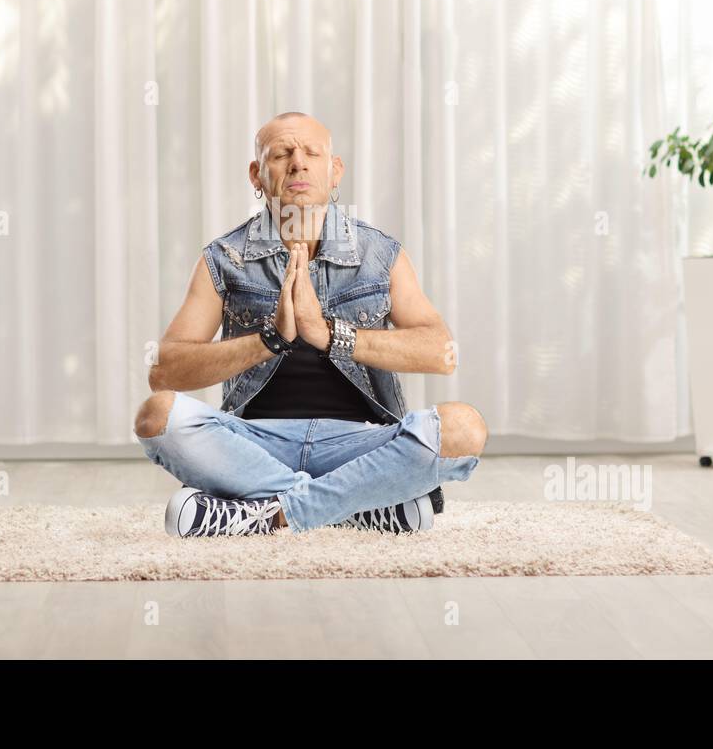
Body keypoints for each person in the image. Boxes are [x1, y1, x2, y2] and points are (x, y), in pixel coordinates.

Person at [136, 112, 488, 536]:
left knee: (464, 428)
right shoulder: (224, 258)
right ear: (257, 175)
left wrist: (328, 334)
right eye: (281, 154)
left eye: (311, 153)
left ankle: (269, 513)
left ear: (334, 170)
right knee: (156, 417)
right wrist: (269, 339)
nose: (298, 163)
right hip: (255, 447)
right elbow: (164, 371)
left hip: (361, 446)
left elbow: (441, 353)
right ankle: (354, 505)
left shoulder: (379, 253)